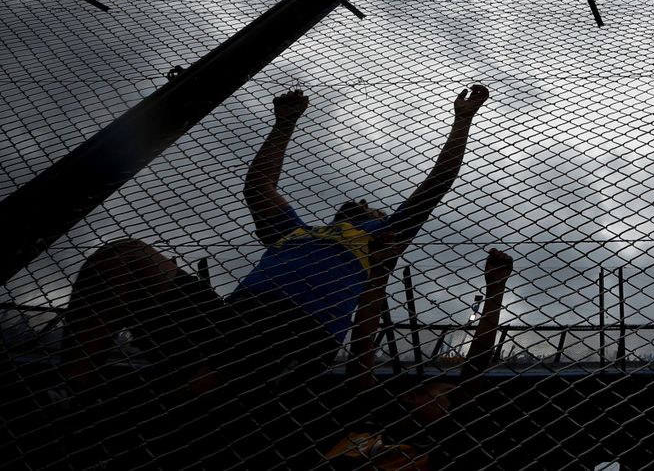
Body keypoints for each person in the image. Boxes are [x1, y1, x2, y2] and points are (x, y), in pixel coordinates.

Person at [59, 85, 491, 397]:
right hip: (233, 316)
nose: (367, 204)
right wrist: (284, 125)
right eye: (361, 203)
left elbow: (436, 184)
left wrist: (462, 121)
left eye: (375, 207)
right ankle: (77, 387)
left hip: (300, 331)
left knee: (209, 377)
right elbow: (259, 186)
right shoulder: (296, 232)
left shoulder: (383, 241)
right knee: (125, 256)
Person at [325, 244, 514, 469]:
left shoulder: (439, 444)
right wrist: (379, 272)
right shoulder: (366, 415)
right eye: (447, 396)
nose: (456, 402)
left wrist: (495, 289)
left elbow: (478, 360)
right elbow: (363, 339)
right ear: (412, 397)